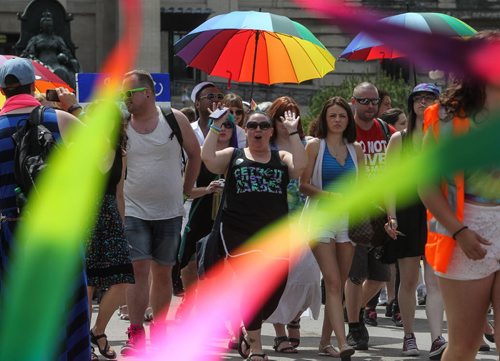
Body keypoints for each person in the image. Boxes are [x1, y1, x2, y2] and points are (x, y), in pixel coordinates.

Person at [0, 58, 89, 360]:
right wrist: (73, 107)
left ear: (2, 90)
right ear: (34, 86)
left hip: (8, 234)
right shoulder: (61, 120)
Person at [201, 110, 307, 361]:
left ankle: (248, 331)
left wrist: (292, 131)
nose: (257, 130)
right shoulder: (233, 155)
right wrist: (215, 127)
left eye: (263, 126)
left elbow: (300, 166)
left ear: (271, 131)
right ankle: (257, 347)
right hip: (238, 232)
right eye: (252, 126)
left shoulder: (281, 157)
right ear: (245, 131)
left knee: (273, 290)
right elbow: (208, 159)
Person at [420, 29, 500, 361]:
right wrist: (459, 230)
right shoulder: (444, 116)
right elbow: (426, 184)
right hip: (465, 232)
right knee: (465, 345)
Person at [120, 69, 201, 355]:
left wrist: (186, 188)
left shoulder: (174, 119)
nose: (124, 99)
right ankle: (135, 332)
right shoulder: (121, 125)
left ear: (147, 93)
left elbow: (195, 154)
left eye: (128, 93)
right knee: (138, 270)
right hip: (133, 210)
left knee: (163, 273)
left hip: (169, 211)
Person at [300, 96, 363, 358]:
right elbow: (303, 185)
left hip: (349, 220)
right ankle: (343, 342)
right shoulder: (315, 146)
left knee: (340, 284)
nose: (337, 120)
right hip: (320, 218)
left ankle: (325, 342)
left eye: (342, 116)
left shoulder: (356, 149)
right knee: (334, 282)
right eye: (332, 116)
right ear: (324, 120)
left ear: (349, 120)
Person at [383, 83, 442, 357]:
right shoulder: (400, 139)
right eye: (418, 98)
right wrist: (391, 215)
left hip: (435, 210)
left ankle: (437, 337)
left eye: (429, 98)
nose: (423, 102)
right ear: (411, 104)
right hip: (406, 211)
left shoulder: (445, 137)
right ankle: (408, 336)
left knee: (434, 280)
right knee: (407, 280)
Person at [264, 96, 321, 354]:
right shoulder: (266, 145)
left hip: (305, 220)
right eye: (282, 117)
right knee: (278, 279)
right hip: (274, 222)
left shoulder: (308, 143)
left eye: (293, 115)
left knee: (308, 276)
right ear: (272, 120)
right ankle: (279, 332)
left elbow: (303, 172)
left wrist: (294, 135)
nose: (288, 121)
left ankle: (295, 315)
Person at [344, 82, 395, 350]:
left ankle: (352, 309)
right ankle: (354, 325)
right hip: (356, 213)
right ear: (353, 101)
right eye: (364, 101)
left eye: (374, 101)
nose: (370, 106)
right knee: (354, 274)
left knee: (380, 277)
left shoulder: (386, 131)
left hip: (383, 212)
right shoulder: (345, 133)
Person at [82, 102, 134, 360]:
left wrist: (122, 226)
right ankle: (83, 342)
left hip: (111, 217)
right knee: (87, 283)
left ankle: (98, 330)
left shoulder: (120, 150)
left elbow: (119, 193)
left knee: (123, 278)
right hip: (84, 218)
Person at [20, 10, 80, 87]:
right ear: (41, 25)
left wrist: (65, 57)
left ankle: (70, 92)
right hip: (40, 63)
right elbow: (28, 53)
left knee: (61, 71)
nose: (47, 26)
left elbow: (66, 52)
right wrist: (33, 58)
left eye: (49, 23)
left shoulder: (57, 39)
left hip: (56, 63)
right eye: (45, 23)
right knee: (39, 73)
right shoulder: (36, 39)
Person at [190, 81, 246, 148]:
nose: (216, 99)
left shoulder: (238, 131)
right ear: (197, 104)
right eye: (211, 96)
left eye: (219, 97)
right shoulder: (189, 130)